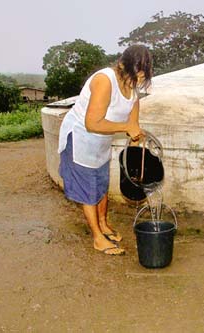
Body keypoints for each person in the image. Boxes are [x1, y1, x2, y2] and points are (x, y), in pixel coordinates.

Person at [57, 45, 153, 255]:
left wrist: (135, 144)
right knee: (88, 188)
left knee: (101, 183)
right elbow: (92, 123)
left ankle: (104, 224)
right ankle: (97, 238)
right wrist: (126, 127)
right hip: (81, 138)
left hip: (100, 141)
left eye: (142, 75)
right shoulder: (104, 80)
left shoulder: (133, 90)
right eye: (135, 74)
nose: (137, 80)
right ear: (122, 65)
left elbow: (132, 125)